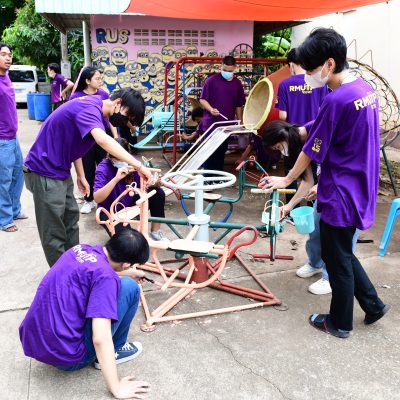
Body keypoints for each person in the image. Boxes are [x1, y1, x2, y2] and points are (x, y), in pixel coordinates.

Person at [261, 28, 390, 338]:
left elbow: (311, 150)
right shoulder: (363, 89)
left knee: (336, 258)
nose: (307, 76)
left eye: (310, 69)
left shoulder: (337, 99)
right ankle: (373, 305)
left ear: (329, 64)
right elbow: (322, 125)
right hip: (360, 182)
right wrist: (298, 130)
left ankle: (340, 323)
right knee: (343, 251)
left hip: (341, 189)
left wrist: (286, 178)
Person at [24, 88, 154, 267]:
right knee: (54, 232)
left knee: (71, 222)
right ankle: (62, 275)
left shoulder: (99, 111)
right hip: (44, 171)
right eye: (127, 117)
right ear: (117, 103)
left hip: (61, 170)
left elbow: (74, 140)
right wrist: (139, 166)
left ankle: (75, 267)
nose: (125, 123)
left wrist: (80, 175)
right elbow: (103, 141)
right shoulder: (90, 109)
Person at [19, 229, 151, 399]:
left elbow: (94, 272)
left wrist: (128, 273)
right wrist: (117, 388)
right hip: (67, 357)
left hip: (35, 342)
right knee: (130, 287)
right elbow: (100, 338)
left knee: (118, 282)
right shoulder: (107, 278)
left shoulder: (79, 250)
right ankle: (115, 349)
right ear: (126, 263)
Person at [262, 120, 359, 295]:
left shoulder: (321, 128)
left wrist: (322, 185)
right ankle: (315, 263)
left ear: (283, 136)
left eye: (278, 147)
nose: (281, 151)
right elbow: (307, 181)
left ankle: (332, 277)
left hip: (349, 189)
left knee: (337, 238)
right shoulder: (299, 144)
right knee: (315, 229)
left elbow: (348, 162)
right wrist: (289, 206)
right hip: (329, 189)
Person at [275, 48, 329, 203]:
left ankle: (290, 209)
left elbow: (282, 116)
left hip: (292, 137)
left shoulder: (285, 84)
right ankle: (311, 207)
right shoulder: (319, 84)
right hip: (314, 135)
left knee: (291, 172)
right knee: (314, 171)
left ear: (291, 64)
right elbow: (324, 110)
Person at [94, 138, 168, 241]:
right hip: (110, 210)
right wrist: (116, 179)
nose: (120, 162)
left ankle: (155, 231)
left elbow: (146, 182)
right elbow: (97, 198)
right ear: (110, 156)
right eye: (117, 159)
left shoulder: (133, 163)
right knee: (128, 240)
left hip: (128, 202)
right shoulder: (103, 168)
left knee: (157, 193)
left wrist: (155, 183)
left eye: (123, 158)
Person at [70, 66, 118, 214]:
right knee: (87, 169)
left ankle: (106, 199)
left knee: (105, 167)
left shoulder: (103, 94)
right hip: (85, 138)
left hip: (103, 135)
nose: (100, 81)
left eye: (100, 78)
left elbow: (110, 117)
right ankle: (88, 200)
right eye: (97, 78)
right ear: (87, 80)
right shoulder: (76, 97)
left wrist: (115, 136)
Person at [199, 56, 246, 171]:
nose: (227, 73)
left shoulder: (237, 84)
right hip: (211, 125)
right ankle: (207, 178)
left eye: (230, 71)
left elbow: (239, 105)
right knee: (209, 154)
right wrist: (211, 109)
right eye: (225, 70)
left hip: (227, 126)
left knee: (221, 153)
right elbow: (202, 99)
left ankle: (218, 177)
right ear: (221, 66)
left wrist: (240, 122)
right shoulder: (211, 81)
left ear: (235, 68)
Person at [0, 42, 27, 233]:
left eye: (9, 54)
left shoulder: (6, 76)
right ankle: (4, 219)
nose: (8, 58)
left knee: (18, 175)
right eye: (3, 54)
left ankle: (15, 210)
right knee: (4, 180)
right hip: (2, 139)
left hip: (13, 136)